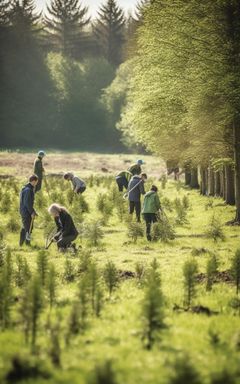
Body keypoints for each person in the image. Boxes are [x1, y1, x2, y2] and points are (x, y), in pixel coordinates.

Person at [19, 175, 38, 246]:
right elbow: (27, 203)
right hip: (26, 211)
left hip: (24, 210)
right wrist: (32, 212)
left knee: (25, 226)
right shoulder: (28, 190)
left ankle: (22, 243)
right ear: (33, 181)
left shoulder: (25, 188)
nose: (36, 184)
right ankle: (27, 243)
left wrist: (34, 211)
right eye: (36, 182)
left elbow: (28, 202)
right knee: (28, 227)